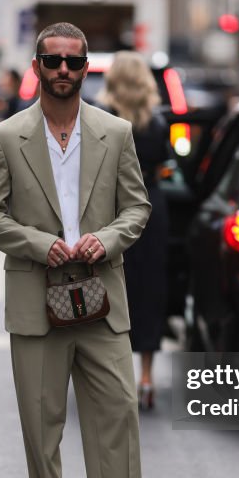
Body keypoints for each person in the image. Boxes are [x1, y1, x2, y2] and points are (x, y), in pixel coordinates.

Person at [0, 22, 179, 478]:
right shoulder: (5, 136)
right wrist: (42, 245)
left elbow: (137, 208)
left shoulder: (116, 132)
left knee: (118, 414)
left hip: (102, 297)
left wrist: (105, 239)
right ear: (36, 66)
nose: (64, 70)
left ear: (88, 68)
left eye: (74, 61)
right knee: (42, 426)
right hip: (37, 300)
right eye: (52, 60)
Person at [97, 51, 171, 410]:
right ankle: (146, 377)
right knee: (151, 291)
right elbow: (168, 166)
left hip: (111, 210)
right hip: (152, 209)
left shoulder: (100, 120)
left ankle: (116, 374)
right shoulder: (157, 122)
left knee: (112, 288)